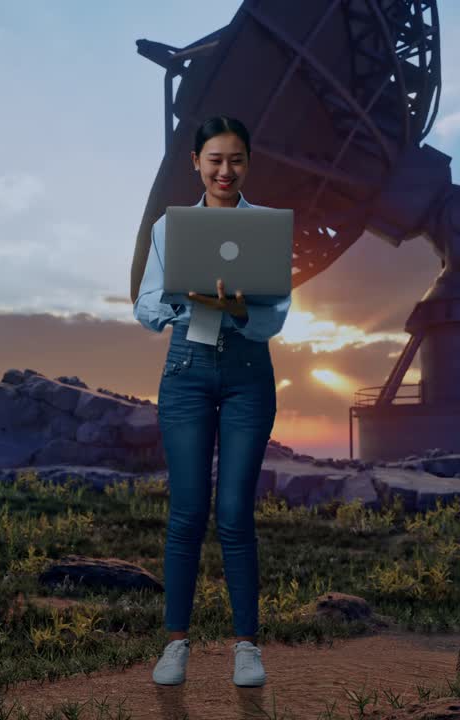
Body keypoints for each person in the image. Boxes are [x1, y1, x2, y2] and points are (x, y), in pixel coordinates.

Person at [133, 115, 292, 687]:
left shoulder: (268, 228)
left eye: (237, 160)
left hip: (249, 374)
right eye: (215, 160)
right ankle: (176, 644)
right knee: (188, 511)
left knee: (234, 514)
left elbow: (277, 315)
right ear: (196, 162)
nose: (226, 171)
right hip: (187, 370)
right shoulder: (167, 230)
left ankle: (245, 646)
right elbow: (145, 306)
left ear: (248, 164)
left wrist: (241, 307)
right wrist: (184, 300)